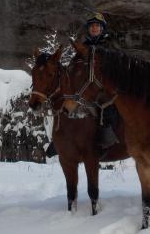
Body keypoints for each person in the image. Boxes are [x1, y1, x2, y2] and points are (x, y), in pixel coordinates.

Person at [45, 12, 120, 159]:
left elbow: (115, 65)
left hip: (104, 85)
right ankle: (58, 140)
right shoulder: (83, 46)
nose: (94, 29)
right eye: (92, 26)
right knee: (65, 105)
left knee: (107, 108)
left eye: (97, 26)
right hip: (84, 87)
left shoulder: (109, 45)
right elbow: (74, 66)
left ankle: (105, 141)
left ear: (102, 28)